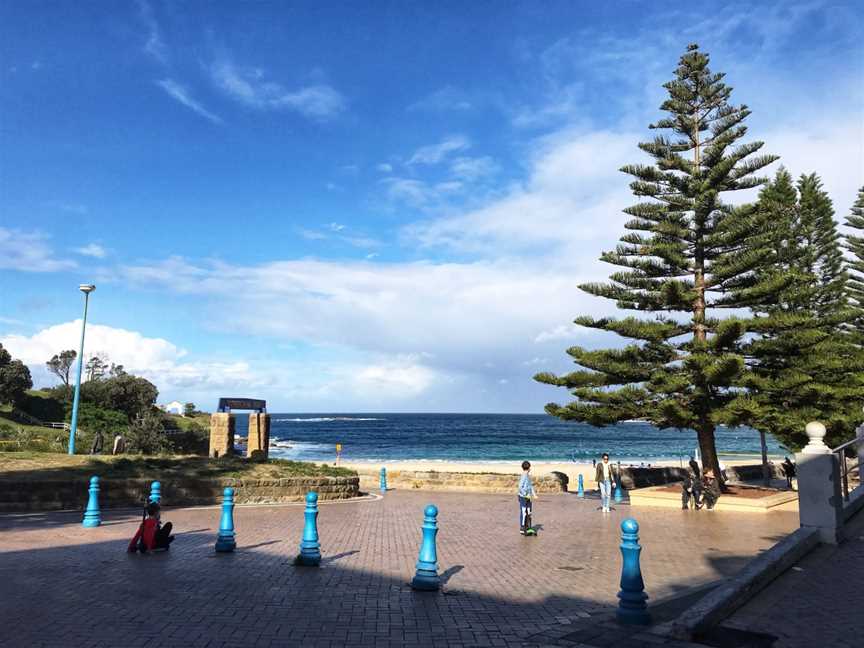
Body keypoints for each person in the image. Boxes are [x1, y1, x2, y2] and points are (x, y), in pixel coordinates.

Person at [518, 460, 536, 535]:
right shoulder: (524, 476)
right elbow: (520, 487)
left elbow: (530, 486)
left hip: (529, 496)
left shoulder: (528, 476)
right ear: (529, 468)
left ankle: (528, 526)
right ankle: (522, 528)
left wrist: (534, 494)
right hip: (523, 497)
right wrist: (525, 494)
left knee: (529, 511)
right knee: (524, 511)